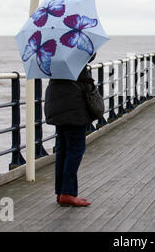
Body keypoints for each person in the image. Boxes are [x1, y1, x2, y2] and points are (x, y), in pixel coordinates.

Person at [45, 53, 102, 207]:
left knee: (63, 149)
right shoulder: (74, 43)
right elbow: (88, 55)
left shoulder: (50, 47)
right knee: (76, 148)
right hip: (73, 103)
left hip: (57, 101)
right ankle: (68, 193)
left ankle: (61, 192)